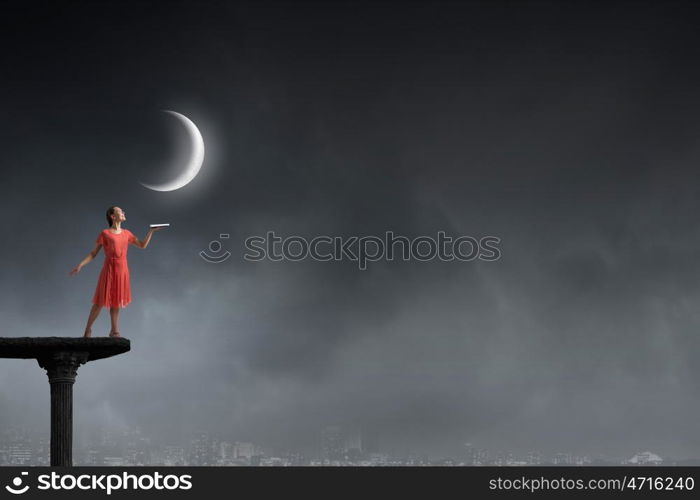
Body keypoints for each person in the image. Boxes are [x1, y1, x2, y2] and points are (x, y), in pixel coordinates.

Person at [69, 206, 164, 337]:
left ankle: (114, 330)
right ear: (113, 216)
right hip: (108, 270)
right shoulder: (105, 233)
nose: (124, 212)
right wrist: (80, 265)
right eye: (121, 211)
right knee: (99, 301)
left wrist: (151, 232)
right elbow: (93, 253)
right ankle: (88, 330)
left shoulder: (127, 233)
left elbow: (142, 245)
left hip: (122, 271)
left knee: (116, 301)